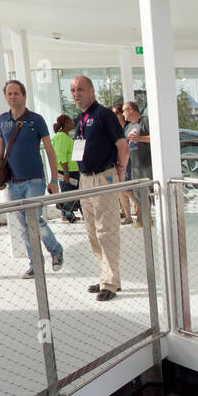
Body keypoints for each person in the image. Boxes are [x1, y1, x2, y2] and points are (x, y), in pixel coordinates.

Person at [0, 79, 63, 278]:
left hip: (34, 180)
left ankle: (56, 250)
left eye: (16, 93)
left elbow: (49, 150)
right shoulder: (3, 120)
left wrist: (54, 180)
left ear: (24, 96)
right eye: (9, 94)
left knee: (36, 220)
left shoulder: (37, 120)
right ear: (6, 97)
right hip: (12, 183)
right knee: (23, 225)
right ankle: (36, 264)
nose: (13, 97)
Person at [70, 75, 126, 301]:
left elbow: (122, 145)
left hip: (104, 177)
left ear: (92, 91)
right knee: (92, 231)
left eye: (80, 89)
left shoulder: (104, 115)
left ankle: (110, 283)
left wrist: (120, 172)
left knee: (106, 230)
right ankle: (107, 275)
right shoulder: (81, 118)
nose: (76, 93)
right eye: (73, 90)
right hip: (85, 179)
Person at [122, 101, 151, 226]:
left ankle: (146, 218)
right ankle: (143, 218)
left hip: (147, 163)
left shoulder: (145, 121)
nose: (123, 114)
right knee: (138, 193)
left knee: (149, 192)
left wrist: (140, 139)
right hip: (134, 165)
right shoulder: (128, 127)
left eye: (124, 110)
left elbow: (155, 137)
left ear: (130, 109)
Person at [53, 113, 82, 221]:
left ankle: (67, 214)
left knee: (69, 191)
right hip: (69, 170)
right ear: (66, 123)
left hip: (72, 169)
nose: (73, 123)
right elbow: (61, 155)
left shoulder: (65, 136)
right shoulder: (61, 136)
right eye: (70, 121)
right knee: (71, 192)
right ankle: (65, 209)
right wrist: (66, 172)